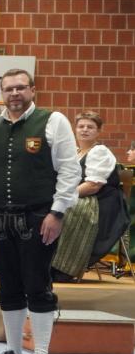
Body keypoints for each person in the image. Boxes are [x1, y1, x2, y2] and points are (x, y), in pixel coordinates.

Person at [0, 68, 79, 354]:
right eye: (8, 89)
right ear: (2, 93)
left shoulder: (53, 121)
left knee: (37, 286)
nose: (14, 94)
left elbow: (69, 170)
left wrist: (57, 212)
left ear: (32, 90)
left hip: (39, 217)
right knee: (8, 286)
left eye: (20, 88)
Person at [50, 111, 128, 282]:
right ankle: (44, 262)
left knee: (64, 210)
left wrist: (63, 197)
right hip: (83, 197)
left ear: (98, 131)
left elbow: (93, 185)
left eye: (90, 127)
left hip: (101, 204)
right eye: (81, 126)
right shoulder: (75, 152)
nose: (85, 130)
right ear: (75, 129)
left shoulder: (100, 152)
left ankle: (63, 267)